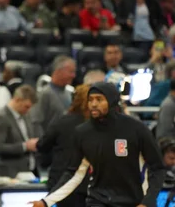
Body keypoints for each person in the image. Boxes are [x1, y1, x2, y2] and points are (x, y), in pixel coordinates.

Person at [30, 82, 166, 207]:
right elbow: (74, 173)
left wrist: (148, 201)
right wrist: (46, 201)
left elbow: (157, 168)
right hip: (98, 200)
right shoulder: (82, 132)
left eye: (99, 99)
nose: (93, 104)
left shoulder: (136, 129)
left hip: (133, 201)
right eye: (90, 100)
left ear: (112, 101)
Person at [36, 84, 90, 207]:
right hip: (90, 186)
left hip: (62, 184)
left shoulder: (62, 121)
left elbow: (42, 145)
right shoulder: (99, 125)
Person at [0, 85, 38, 178]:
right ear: (17, 100)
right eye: (26, 106)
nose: (28, 110)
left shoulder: (25, 116)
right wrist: (24, 146)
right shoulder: (1, 117)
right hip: (9, 174)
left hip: (28, 172)